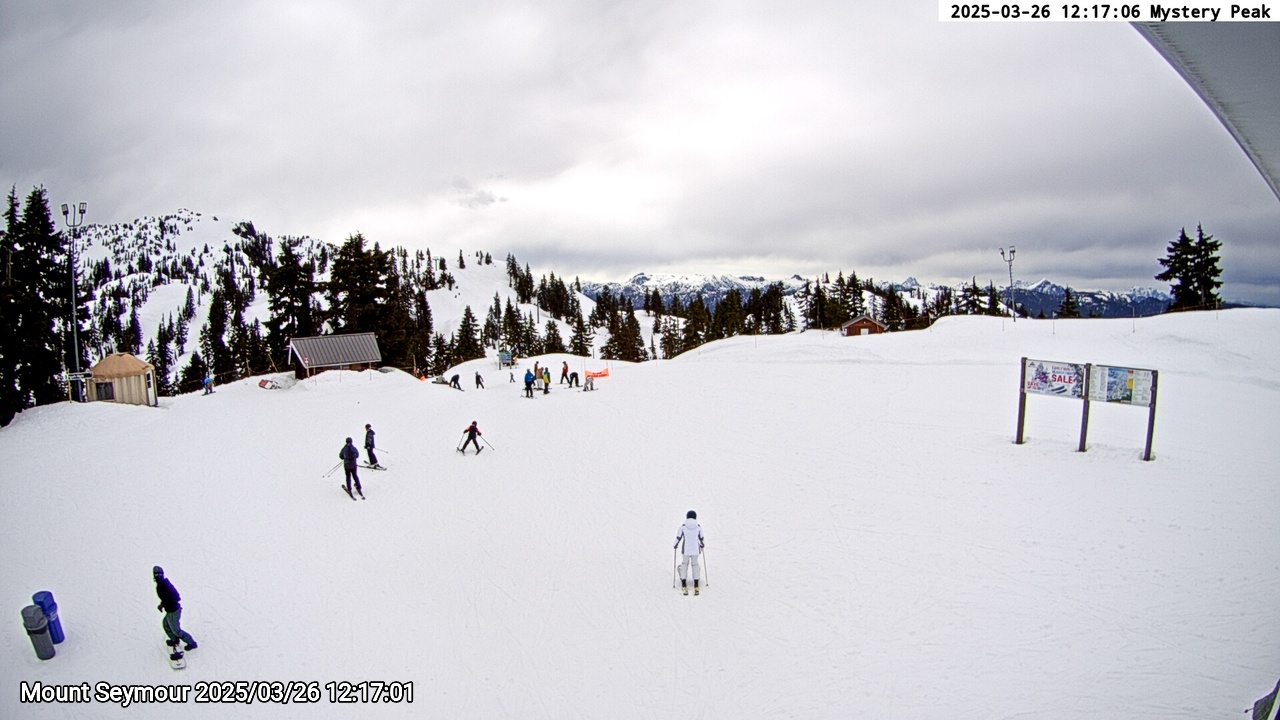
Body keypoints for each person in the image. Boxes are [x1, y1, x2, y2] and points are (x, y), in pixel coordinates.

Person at [153, 566, 197, 651]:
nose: (158, 576)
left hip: (173, 611)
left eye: (160, 574)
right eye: (156, 574)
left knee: (176, 630)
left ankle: (192, 643)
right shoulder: (160, 585)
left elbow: (177, 597)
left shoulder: (165, 585)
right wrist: (162, 604)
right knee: (166, 624)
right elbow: (164, 598)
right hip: (169, 610)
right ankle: (174, 640)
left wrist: (168, 603)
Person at [674, 510, 704, 596]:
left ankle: (683, 582)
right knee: (695, 564)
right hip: (695, 550)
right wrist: (702, 545)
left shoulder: (683, 527)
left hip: (686, 550)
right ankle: (696, 583)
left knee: (684, 564)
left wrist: (675, 545)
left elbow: (678, 537)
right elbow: (701, 538)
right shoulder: (698, 527)